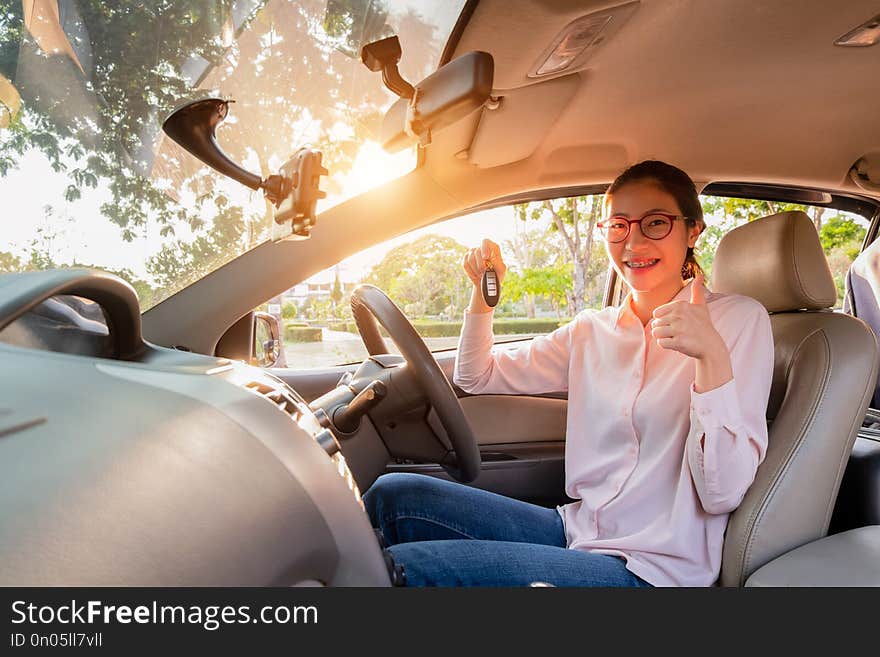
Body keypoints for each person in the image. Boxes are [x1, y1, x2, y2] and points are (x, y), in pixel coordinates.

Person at [363, 160, 774, 587]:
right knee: (393, 496)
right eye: (618, 225)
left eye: (655, 223)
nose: (632, 242)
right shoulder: (592, 330)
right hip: (577, 531)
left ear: (692, 231)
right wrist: (482, 299)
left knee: (400, 571)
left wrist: (710, 357)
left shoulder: (738, 322)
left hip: (654, 570)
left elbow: (723, 492)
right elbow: (476, 376)